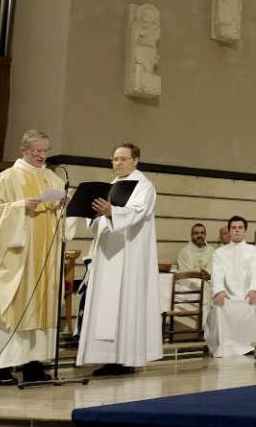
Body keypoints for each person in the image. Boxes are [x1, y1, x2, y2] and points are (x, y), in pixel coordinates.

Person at [0, 129, 69, 386]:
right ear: (23, 150)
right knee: (10, 305)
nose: (41, 155)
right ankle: (0, 367)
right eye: (37, 151)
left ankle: (33, 365)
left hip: (43, 258)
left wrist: (61, 207)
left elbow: (61, 223)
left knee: (41, 306)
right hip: (16, 257)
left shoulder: (53, 179)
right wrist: (17, 207)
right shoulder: (6, 178)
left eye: (45, 151)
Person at [75, 143, 162, 376]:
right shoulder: (110, 186)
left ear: (136, 161)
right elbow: (97, 223)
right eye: (115, 159)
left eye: (123, 159)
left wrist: (112, 212)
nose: (118, 163)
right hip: (106, 256)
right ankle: (108, 357)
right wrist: (91, 212)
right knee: (106, 304)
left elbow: (137, 213)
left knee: (125, 302)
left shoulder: (144, 186)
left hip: (129, 256)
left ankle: (126, 358)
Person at [206, 216, 256, 357]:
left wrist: (254, 289)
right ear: (229, 231)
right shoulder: (219, 253)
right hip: (227, 295)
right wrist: (219, 291)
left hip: (248, 294)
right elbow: (217, 275)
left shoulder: (253, 251)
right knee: (221, 306)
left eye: (240, 228)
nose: (237, 231)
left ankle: (249, 346)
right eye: (234, 228)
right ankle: (225, 347)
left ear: (245, 231)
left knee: (252, 304)